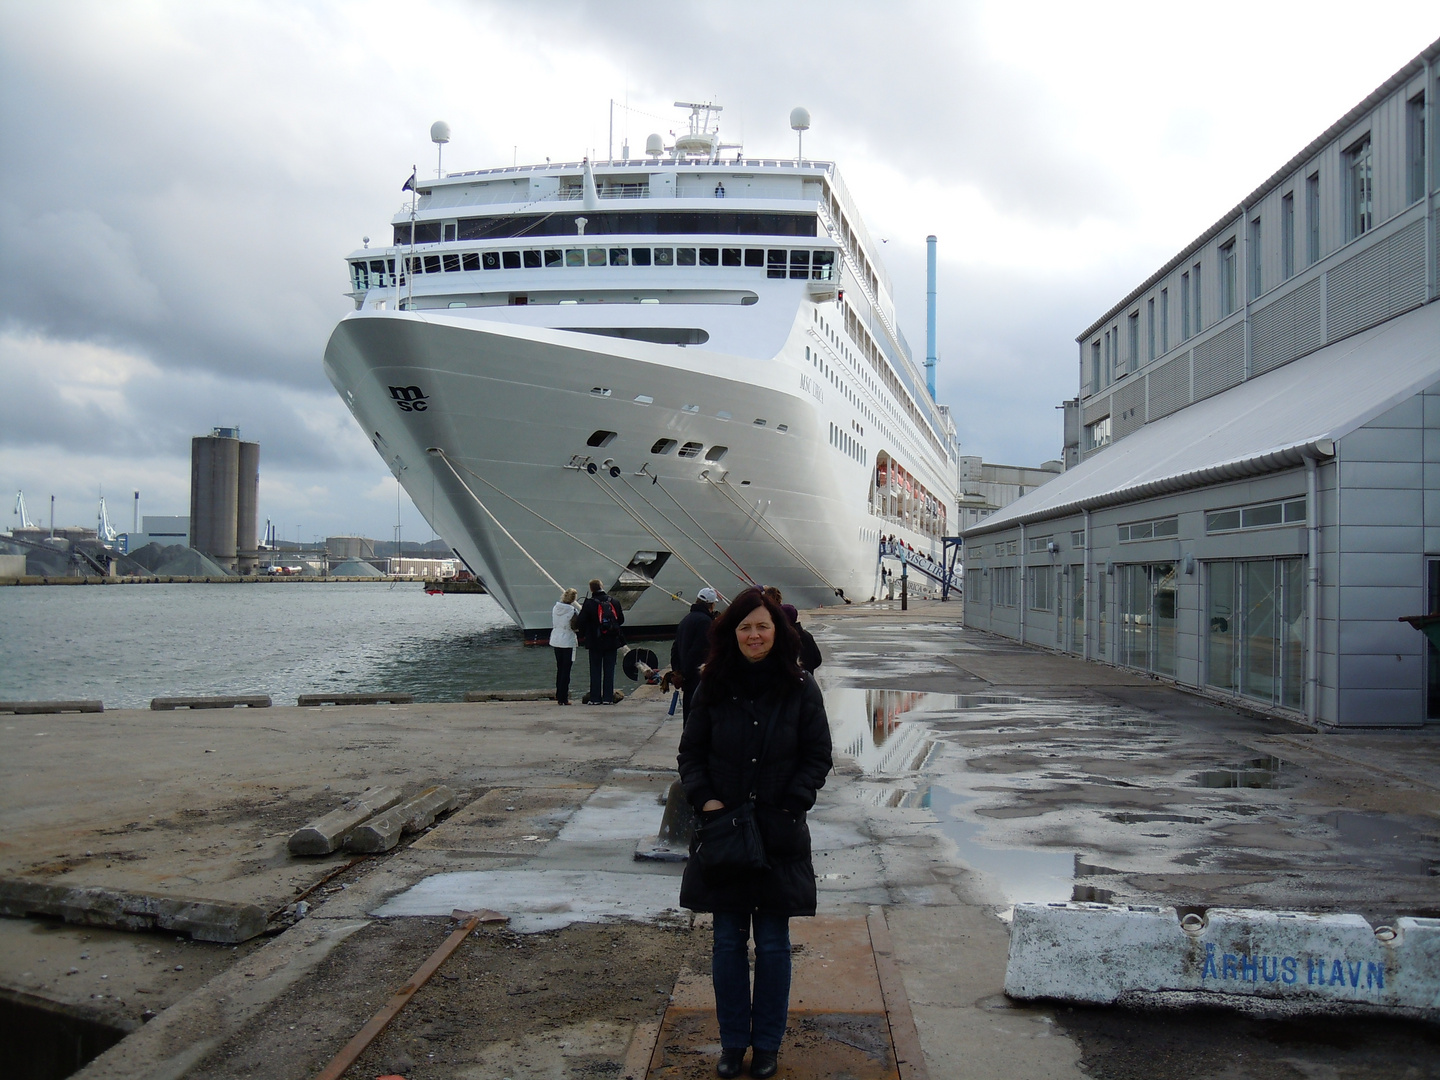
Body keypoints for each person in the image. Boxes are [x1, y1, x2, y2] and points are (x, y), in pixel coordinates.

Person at [677, 589, 833, 1079]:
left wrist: (792, 802)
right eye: (745, 627)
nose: (754, 635)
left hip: (778, 832)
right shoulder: (712, 685)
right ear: (732, 633)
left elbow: (817, 755)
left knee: (772, 943)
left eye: (762, 626)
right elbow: (691, 754)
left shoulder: (801, 687)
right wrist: (706, 801)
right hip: (725, 832)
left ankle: (766, 1045)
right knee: (726, 941)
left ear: (777, 631)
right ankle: (732, 1043)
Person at [671, 586, 719, 719]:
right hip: (697, 679)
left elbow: (675, 648)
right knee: (699, 717)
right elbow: (699, 651)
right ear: (711, 604)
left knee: (688, 716)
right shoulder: (705, 622)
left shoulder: (685, 620)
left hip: (687, 679)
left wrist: (677, 671)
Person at [577, 577, 625, 705]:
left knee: (595, 670)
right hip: (612, 641)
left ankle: (595, 698)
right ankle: (608, 698)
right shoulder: (614, 601)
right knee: (609, 670)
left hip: (595, 642)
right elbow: (621, 620)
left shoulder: (589, 603)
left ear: (591, 589)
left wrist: (583, 635)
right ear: (602, 586)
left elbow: (580, 621)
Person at [762, 587, 821, 675]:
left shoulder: (780, 637)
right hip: (806, 679)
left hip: (789, 681)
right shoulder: (806, 635)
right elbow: (817, 660)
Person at [550, 587, 580, 705]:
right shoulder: (572, 611)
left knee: (560, 668)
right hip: (567, 640)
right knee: (566, 671)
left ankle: (558, 694)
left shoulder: (555, 608)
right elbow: (575, 627)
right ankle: (564, 698)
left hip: (556, 639)